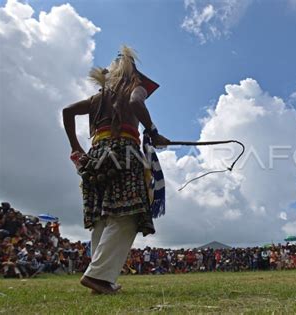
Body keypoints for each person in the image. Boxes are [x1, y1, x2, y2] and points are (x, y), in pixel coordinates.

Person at [63, 45, 170, 294]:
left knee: (104, 216)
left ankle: (100, 279)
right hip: (124, 153)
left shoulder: (98, 98)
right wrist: (153, 131)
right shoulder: (136, 86)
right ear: (134, 75)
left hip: (96, 156)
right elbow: (135, 103)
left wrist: (76, 148)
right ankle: (99, 277)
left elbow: (67, 111)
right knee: (127, 214)